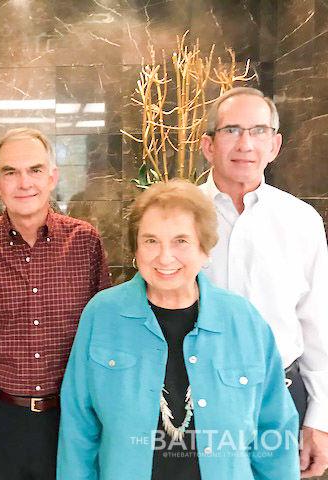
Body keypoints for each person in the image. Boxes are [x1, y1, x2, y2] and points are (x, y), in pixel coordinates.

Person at [57, 179, 300, 479]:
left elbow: (275, 431)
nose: (165, 257)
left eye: (181, 241)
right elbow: (78, 430)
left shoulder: (244, 321)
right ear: (136, 248)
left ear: (205, 248)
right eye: (151, 240)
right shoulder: (102, 315)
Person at [0, 128, 111, 480]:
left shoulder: (84, 242)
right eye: (11, 172)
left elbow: (104, 339)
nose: (24, 182)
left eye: (36, 170)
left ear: (53, 177)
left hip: (70, 419)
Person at [199, 87, 328, 478]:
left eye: (258, 131)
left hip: (281, 394)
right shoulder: (180, 212)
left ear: (275, 145)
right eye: (232, 130)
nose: (245, 144)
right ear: (208, 145)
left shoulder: (301, 220)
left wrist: (320, 418)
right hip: (199, 394)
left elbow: (317, 321)